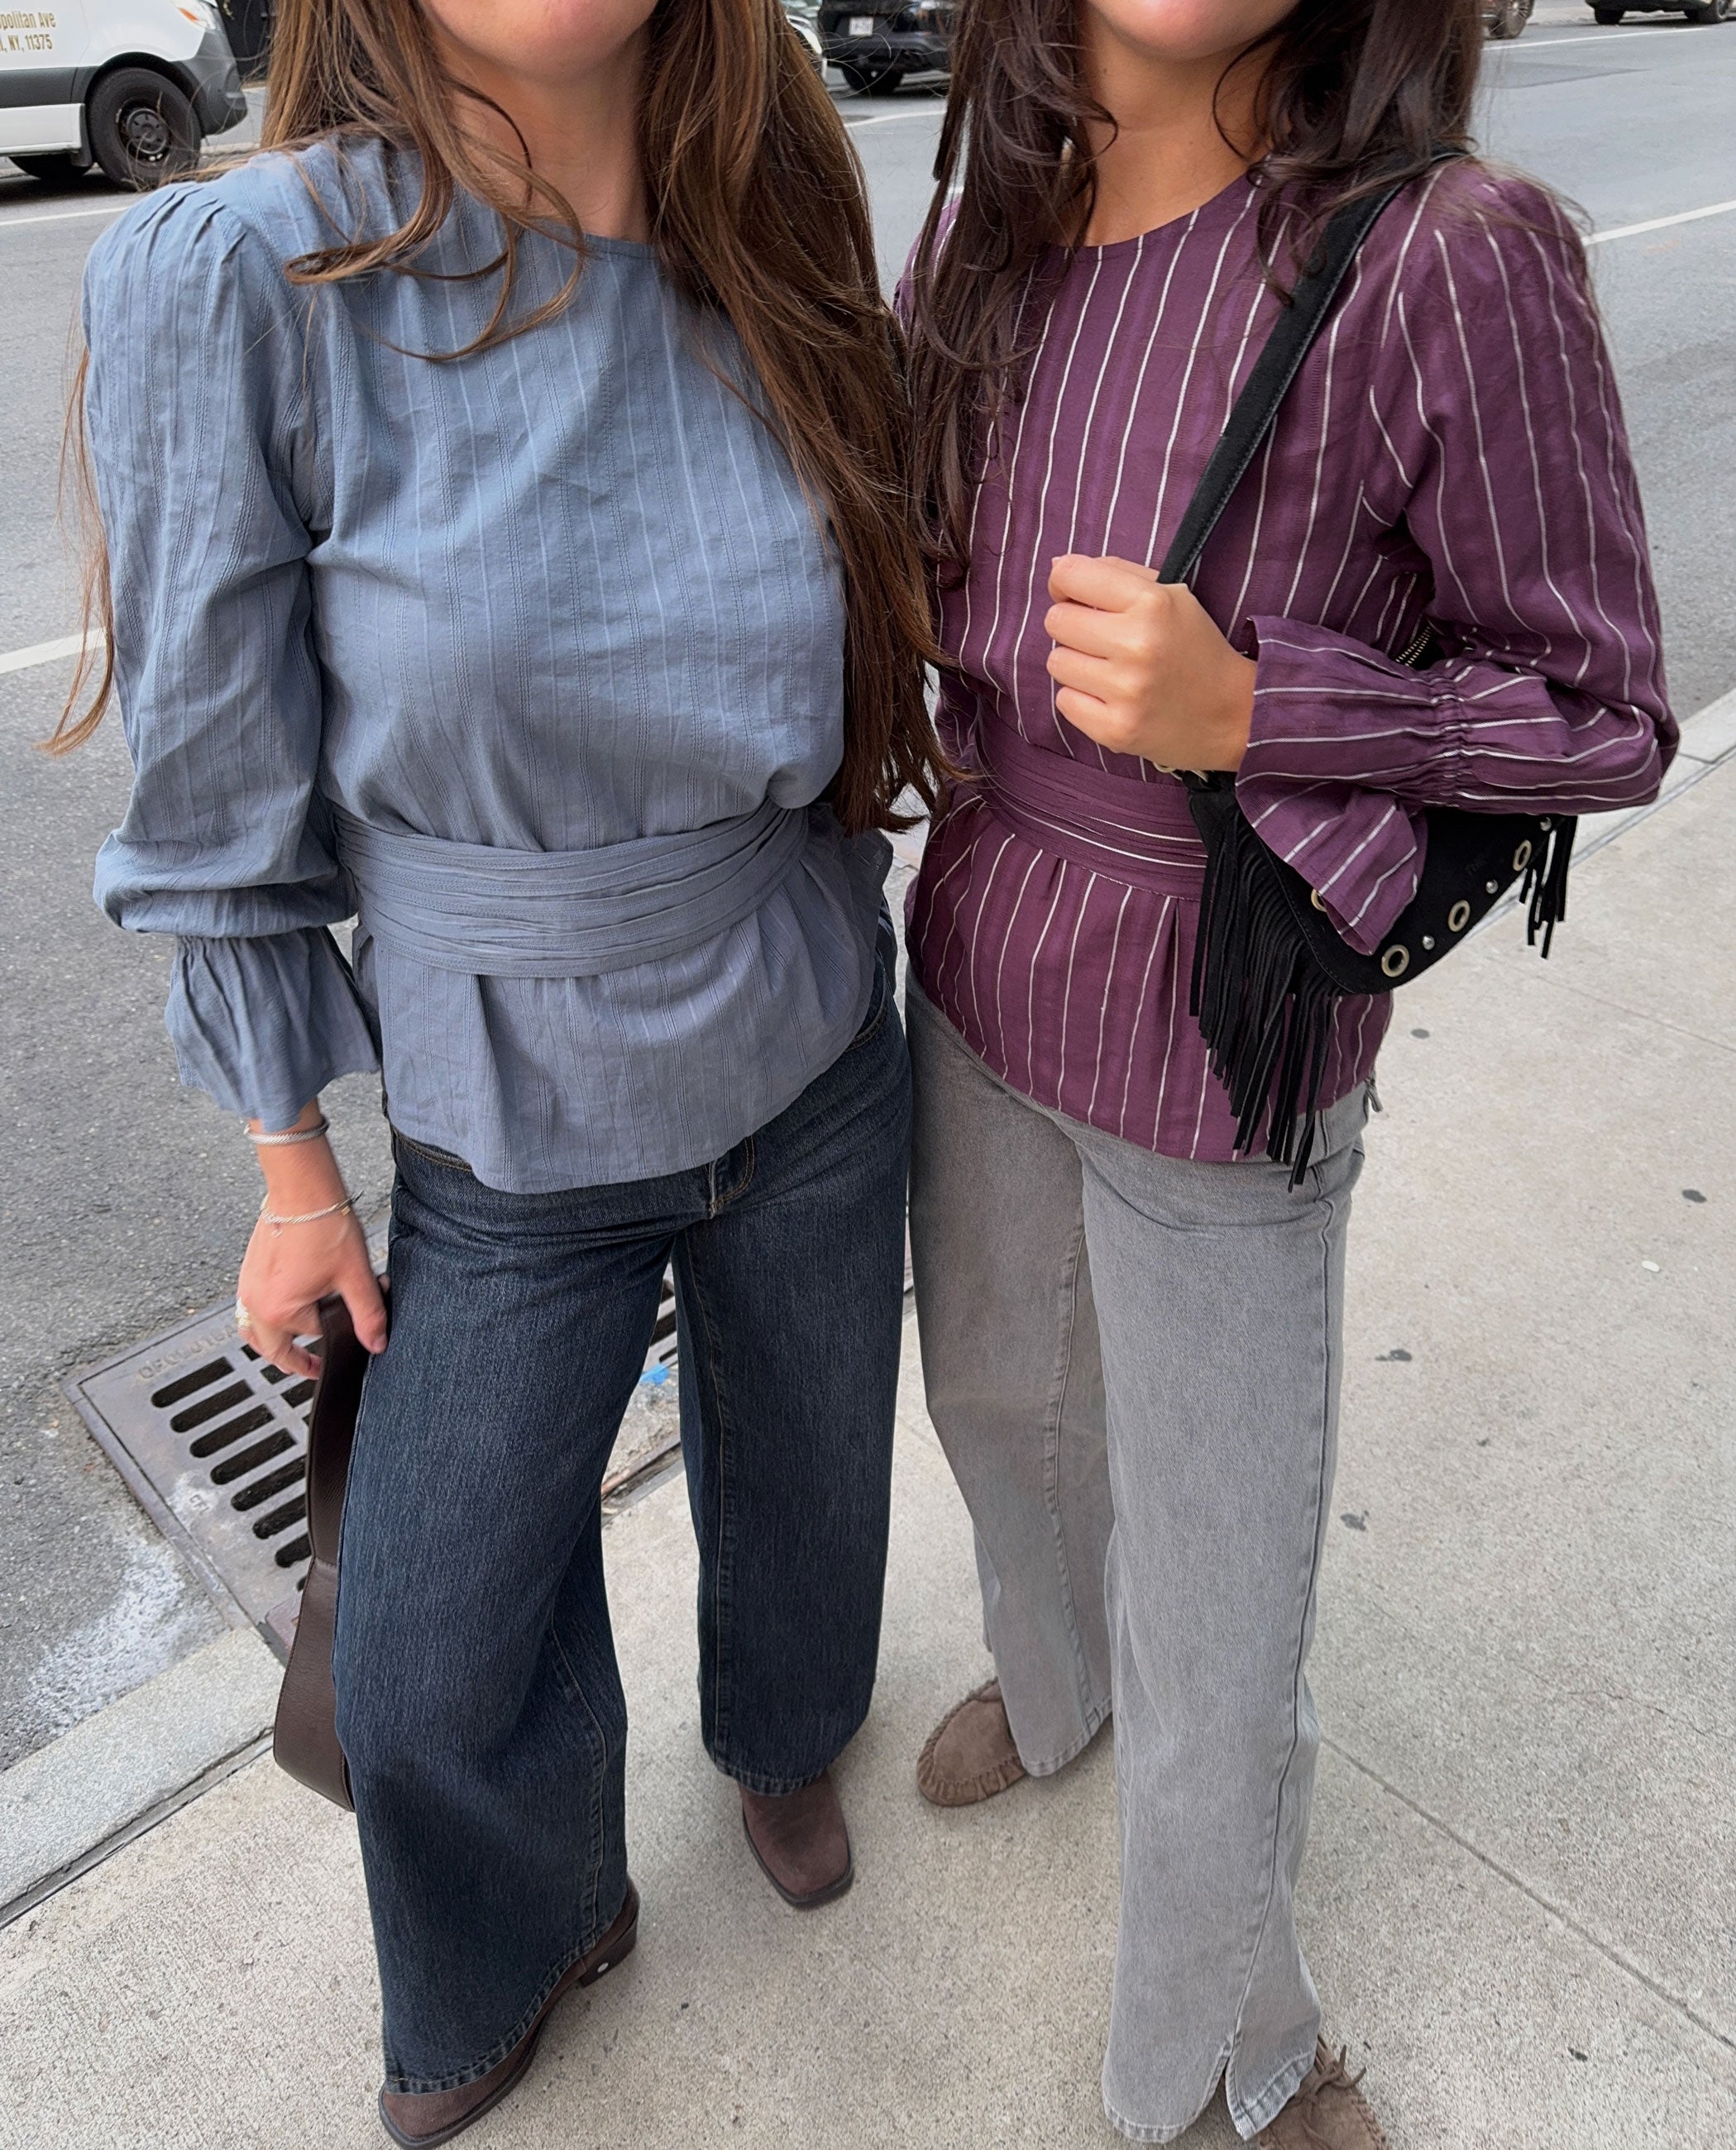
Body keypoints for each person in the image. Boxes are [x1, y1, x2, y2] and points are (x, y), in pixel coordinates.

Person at [61, 0, 940, 2140]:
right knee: (423, 1656)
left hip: (813, 1029)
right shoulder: (248, 276)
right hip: (505, 1110)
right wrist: (291, 1169)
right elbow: (210, 800)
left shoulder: (777, 232)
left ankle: (783, 1739)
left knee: (815, 1471)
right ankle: (533, 1912)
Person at [900, 2, 1673, 2143]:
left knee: (1220, 1615)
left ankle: (1233, 2061)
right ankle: (1052, 1686)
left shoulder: (1445, 254)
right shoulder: (987, 225)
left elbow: (1606, 712)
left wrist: (1266, 706)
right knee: (996, 1405)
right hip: (977, 952)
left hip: (1221, 1032)